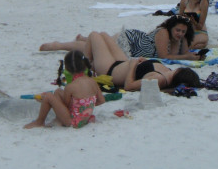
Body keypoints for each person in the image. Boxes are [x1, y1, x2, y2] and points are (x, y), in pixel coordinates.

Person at [39, 14, 205, 77]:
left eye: (183, 32)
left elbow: (184, 53)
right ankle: (57, 45)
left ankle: (82, 38)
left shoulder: (179, 39)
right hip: (130, 41)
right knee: (95, 47)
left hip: (132, 45)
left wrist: (189, 50)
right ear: (171, 27)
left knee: (99, 44)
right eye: (178, 30)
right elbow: (164, 56)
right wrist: (187, 56)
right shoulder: (163, 33)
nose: (180, 34)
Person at [64, 30, 201, 91]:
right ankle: (90, 63)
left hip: (111, 70)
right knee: (104, 35)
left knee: (94, 36)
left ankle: (85, 72)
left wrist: (133, 65)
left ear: (180, 72)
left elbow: (129, 85)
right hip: (123, 62)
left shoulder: (158, 80)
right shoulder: (168, 73)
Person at [23, 51, 105, 129]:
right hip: (86, 118)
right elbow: (101, 100)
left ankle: (39, 122)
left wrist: (45, 101)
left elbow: (66, 105)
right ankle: (58, 119)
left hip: (73, 121)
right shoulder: (92, 81)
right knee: (58, 91)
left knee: (48, 96)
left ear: (67, 69)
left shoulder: (70, 87)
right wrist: (87, 106)